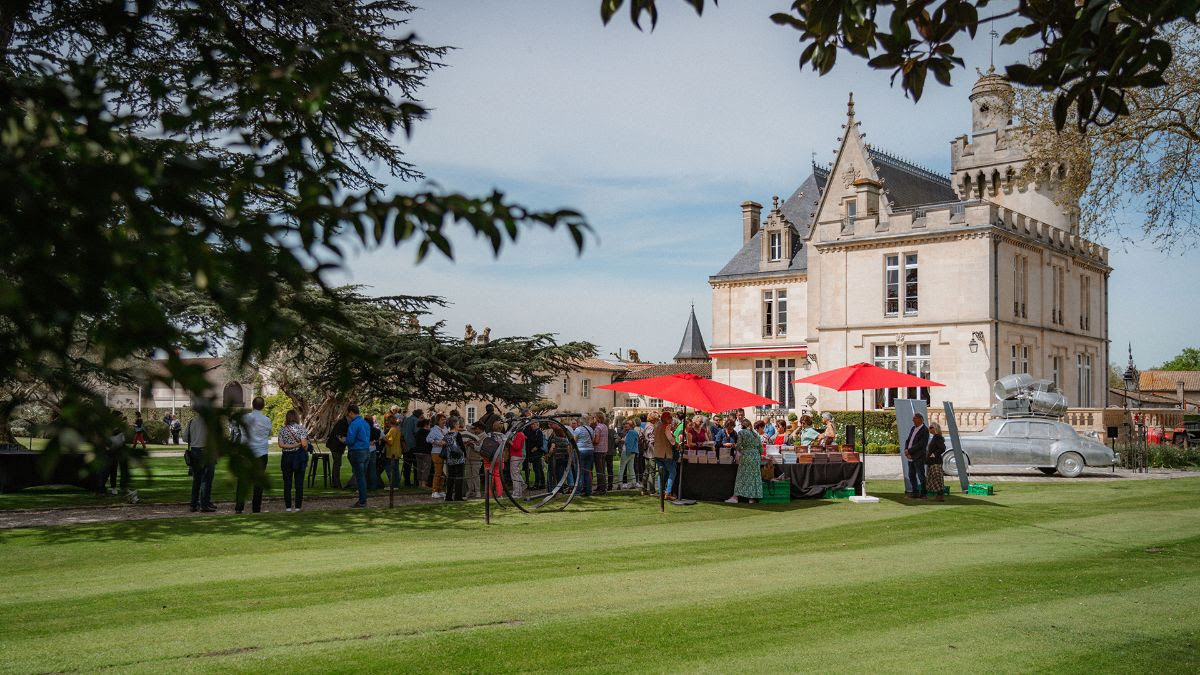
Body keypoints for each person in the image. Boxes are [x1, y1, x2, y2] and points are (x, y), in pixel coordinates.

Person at [233, 396, 273, 514]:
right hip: (261, 453)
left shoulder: (245, 418)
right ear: (263, 406)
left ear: (252, 405)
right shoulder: (266, 420)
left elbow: (238, 428)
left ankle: (239, 507)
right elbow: (270, 433)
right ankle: (256, 507)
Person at [277, 409, 310, 512]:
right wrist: (298, 445)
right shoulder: (301, 429)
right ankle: (298, 506)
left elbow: (281, 445)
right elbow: (304, 444)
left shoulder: (282, 430)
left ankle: (288, 507)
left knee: (287, 483)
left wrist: (290, 446)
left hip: (286, 456)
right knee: (299, 483)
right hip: (298, 457)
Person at [184, 413, 216, 512]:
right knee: (207, 479)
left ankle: (194, 504)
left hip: (195, 451)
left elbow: (185, 438)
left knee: (197, 479)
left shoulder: (191, 421)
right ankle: (204, 504)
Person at [727, 425, 764, 503]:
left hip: (746, 456)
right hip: (755, 457)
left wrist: (737, 448)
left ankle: (736, 497)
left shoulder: (741, 433)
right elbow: (761, 448)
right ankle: (751, 498)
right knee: (753, 477)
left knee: (741, 476)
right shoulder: (755, 434)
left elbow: (739, 446)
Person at [345, 403, 372, 507]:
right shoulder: (365, 423)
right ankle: (363, 499)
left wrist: (345, 440)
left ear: (351, 413)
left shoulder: (354, 424)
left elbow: (350, 440)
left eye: (348, 414)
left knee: (359, 477)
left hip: (357, 451)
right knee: (362, 477)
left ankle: (362, 501)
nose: (348, 416)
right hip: (366, 450)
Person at [651, 410, 678, 499]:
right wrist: (676, 443)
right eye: (670, 417)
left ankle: (660, 492)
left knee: (661, 473)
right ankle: (668, 492)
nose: (671, 419)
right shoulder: (666, 427)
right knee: (672, 471)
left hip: (657, 453)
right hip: (665, 453)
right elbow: (671, 440)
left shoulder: (657, 426)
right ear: (666, 419)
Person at [903, 413, 930, 498]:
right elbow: (908, 440)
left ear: (920, 419)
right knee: (911, 475)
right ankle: (915, 492)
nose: (913, 420)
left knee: (921, 475)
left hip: (918, 456)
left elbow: (921, 444)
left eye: (914, 418)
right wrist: (906, 450)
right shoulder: (913, 428)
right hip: (910, 456)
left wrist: (910, 451)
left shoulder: (924, 430)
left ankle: (924, 493)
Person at [443, 417, 467, 501]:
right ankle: (458, 496)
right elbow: (462, 446)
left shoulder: (446, 435)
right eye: (457, 424)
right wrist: (465, 454)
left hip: (450, 459)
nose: (458, 425)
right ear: (454, 425)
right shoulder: (457, 434)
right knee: (459, 478)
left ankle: (448, 496)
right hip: (459, 458)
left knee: (450, 478)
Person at [571, 416, 595, 497]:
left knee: (579, 471)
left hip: (580, 450)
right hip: (590, 450)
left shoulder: (578, 429)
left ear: (579, 423)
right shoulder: (590, 429)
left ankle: (578, 491)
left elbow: (574, 441)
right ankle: (588, 490)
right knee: (587, 472)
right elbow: (593, 439)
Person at [426, 413, 448, 499]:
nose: (444, 421)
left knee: (443, 472)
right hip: (436, 452)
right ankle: (434, 490)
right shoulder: (434, 430)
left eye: (445, 419)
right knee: (438, 471)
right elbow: (428, 439)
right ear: (438, 421)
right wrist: (437, 442)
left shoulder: (446, 429)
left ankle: (441, 489)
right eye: (442, 419)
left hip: (444, 452)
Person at [463, 422, 485, 498]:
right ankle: (470, 490)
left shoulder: (485, 436)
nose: (475, 430)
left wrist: (472, 445)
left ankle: (478, 491)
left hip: (476, 458)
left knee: (476, 475)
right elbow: (467, 427)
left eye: (476, 429)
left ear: (481, 429)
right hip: (468, 457)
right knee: (468, 475)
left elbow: (480, 448)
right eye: (474, 429)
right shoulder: (472, 435)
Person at [327, 414, 349, 489]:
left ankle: (336, 482)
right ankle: (336, 483)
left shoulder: (344, 423)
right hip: (335, 446)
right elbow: (338, 434)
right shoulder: (342, 423)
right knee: (337, 463)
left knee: (337, 463)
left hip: (336, 446)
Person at [401, 409, 423, 487]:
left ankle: (407, 482)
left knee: (407, 464)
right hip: (413, 445)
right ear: (419, 414)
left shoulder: (406, 419)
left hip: (405, 444)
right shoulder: (416, 420)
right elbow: (417, 432)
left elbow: (402, 431)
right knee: (416, 464)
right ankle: (416, 482)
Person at [926, 422, 947, 502]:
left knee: (936, 478)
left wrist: (934, 454)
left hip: (935, 461)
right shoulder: (935, 437)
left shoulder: (937, 437)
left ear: (935, 428)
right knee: (934, 478)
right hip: (932, 462)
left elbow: (942, 448)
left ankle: (940, 495)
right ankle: (939, 495)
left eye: (931, 427)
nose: (929, 429)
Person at [383, 416, 403, 489]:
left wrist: (383, 437)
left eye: (387, 421)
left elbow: (390, 442)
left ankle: (393, 485)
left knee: (390, 469)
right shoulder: (397, 429)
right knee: (395, 469)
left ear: (389, 422)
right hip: (396, 451)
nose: (386, 423)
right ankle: (396, 485)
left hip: (392, 453)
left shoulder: (392, 430)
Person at [524, 419, 546, 490]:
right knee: (539, 468)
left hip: (536, 453)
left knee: (536, 469)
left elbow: (540, 443)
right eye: (532, 424)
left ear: (537, 425)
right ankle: (542, 483)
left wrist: (534, 449)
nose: (532, 426)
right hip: (532, 453)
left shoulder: (538, 432)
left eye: (534, 424)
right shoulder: (532, 432)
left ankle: (537, 484)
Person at [413, 417, 433, 489]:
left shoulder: (418, 432)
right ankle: (424, 484)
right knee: (426, 468)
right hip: (426, 452)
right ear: (426, 425)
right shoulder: (428, 432)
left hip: (418, 451)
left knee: (419, 467)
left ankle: (419, 483)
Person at [619, 420, 640, 488]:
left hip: (627, 452)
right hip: (632, 452)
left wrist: (622, 440)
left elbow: (628, 442)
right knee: (631, 468)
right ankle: (634, 482)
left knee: (621, 468)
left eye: (626, 426)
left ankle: (620, 484)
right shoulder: (634, 432)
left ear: (630, 426)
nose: (625, 427)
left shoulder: (631, 432)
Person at [591, 414, 609, 495]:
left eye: (594, 418)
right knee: (602, 470)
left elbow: (597, 441)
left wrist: (591, 441)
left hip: (598, 450)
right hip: (604, 450)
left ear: (597, 418)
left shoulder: (598, 427)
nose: (593, 419)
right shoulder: (605, 426)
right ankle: (601, 486)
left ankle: (601, 489)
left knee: (599, 470)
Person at [508, 424, 527, 499]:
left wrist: (509, 441)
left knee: (514, 475)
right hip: (517, 455)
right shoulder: (519, 434)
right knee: (516, 473)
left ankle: (517, 493)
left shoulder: (519, 434)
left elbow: (517, 447)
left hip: (516, 456)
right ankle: (521, 485)